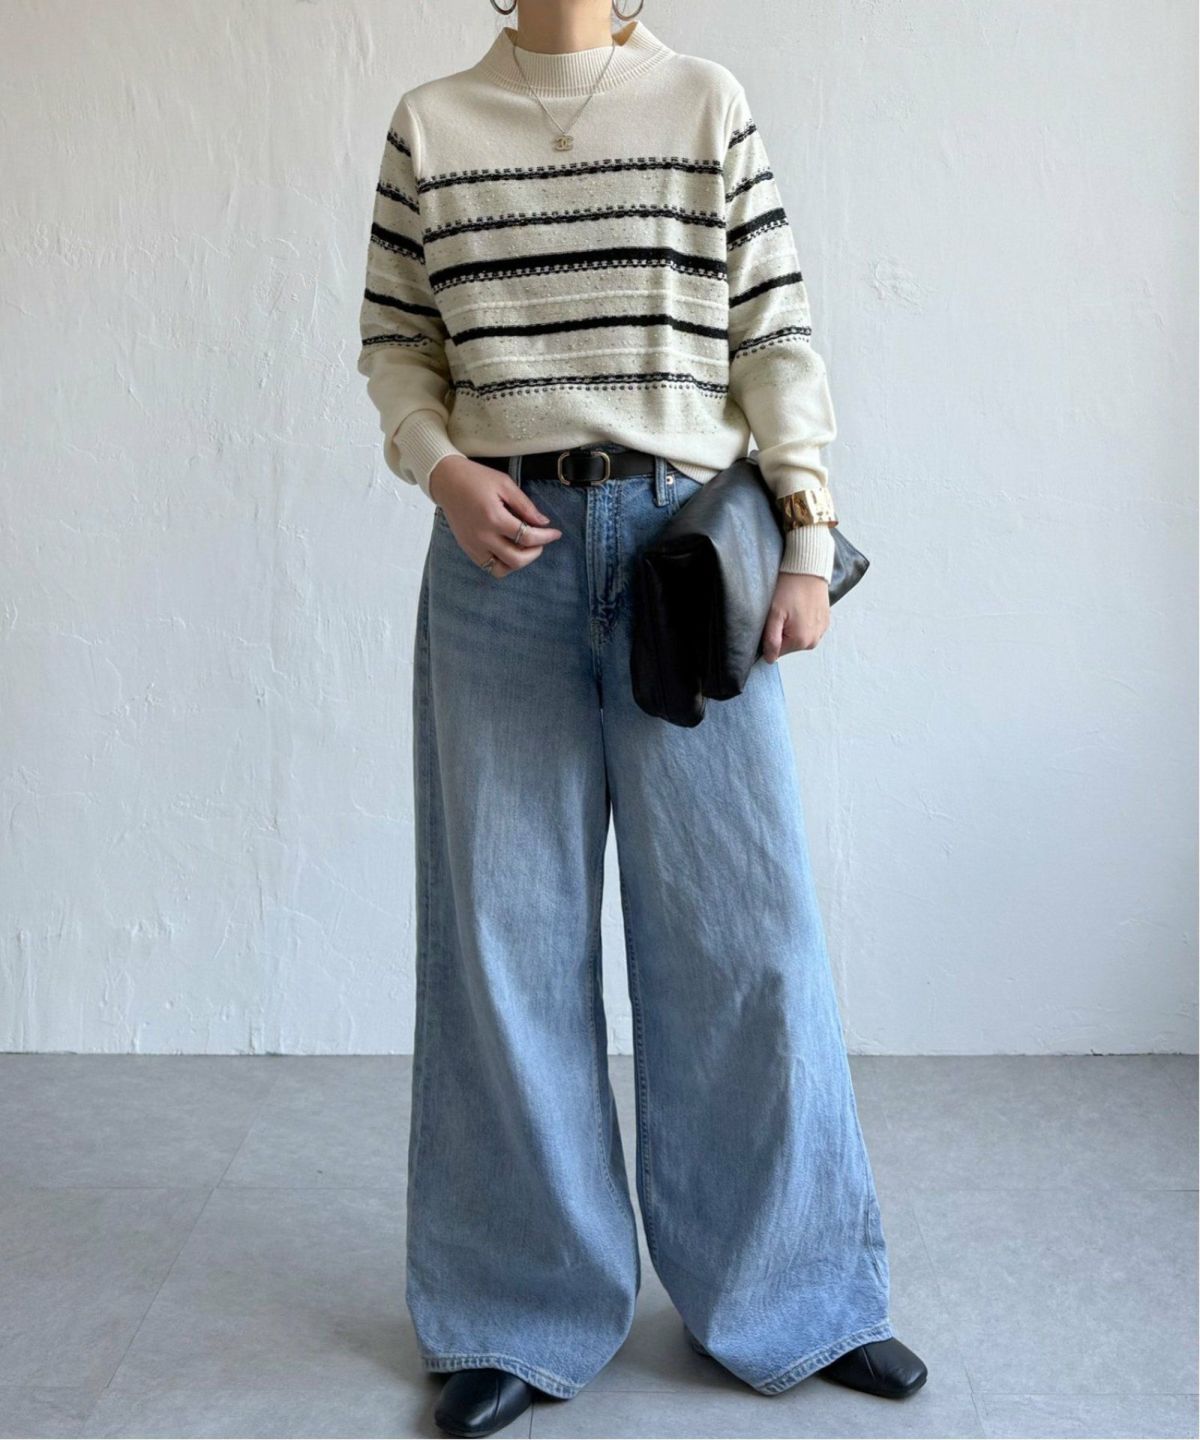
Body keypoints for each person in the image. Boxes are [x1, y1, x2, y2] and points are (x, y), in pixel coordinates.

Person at [357, 2, 927, 1434]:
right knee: (504, 940)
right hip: (501, 564)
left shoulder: (703, 103)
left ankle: (797, 1295)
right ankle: (514, 1310)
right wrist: (442, 469)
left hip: (685, 555)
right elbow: (396, 343)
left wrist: (807, 537)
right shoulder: (433, 122)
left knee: (744, 931)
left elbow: (773, 332)